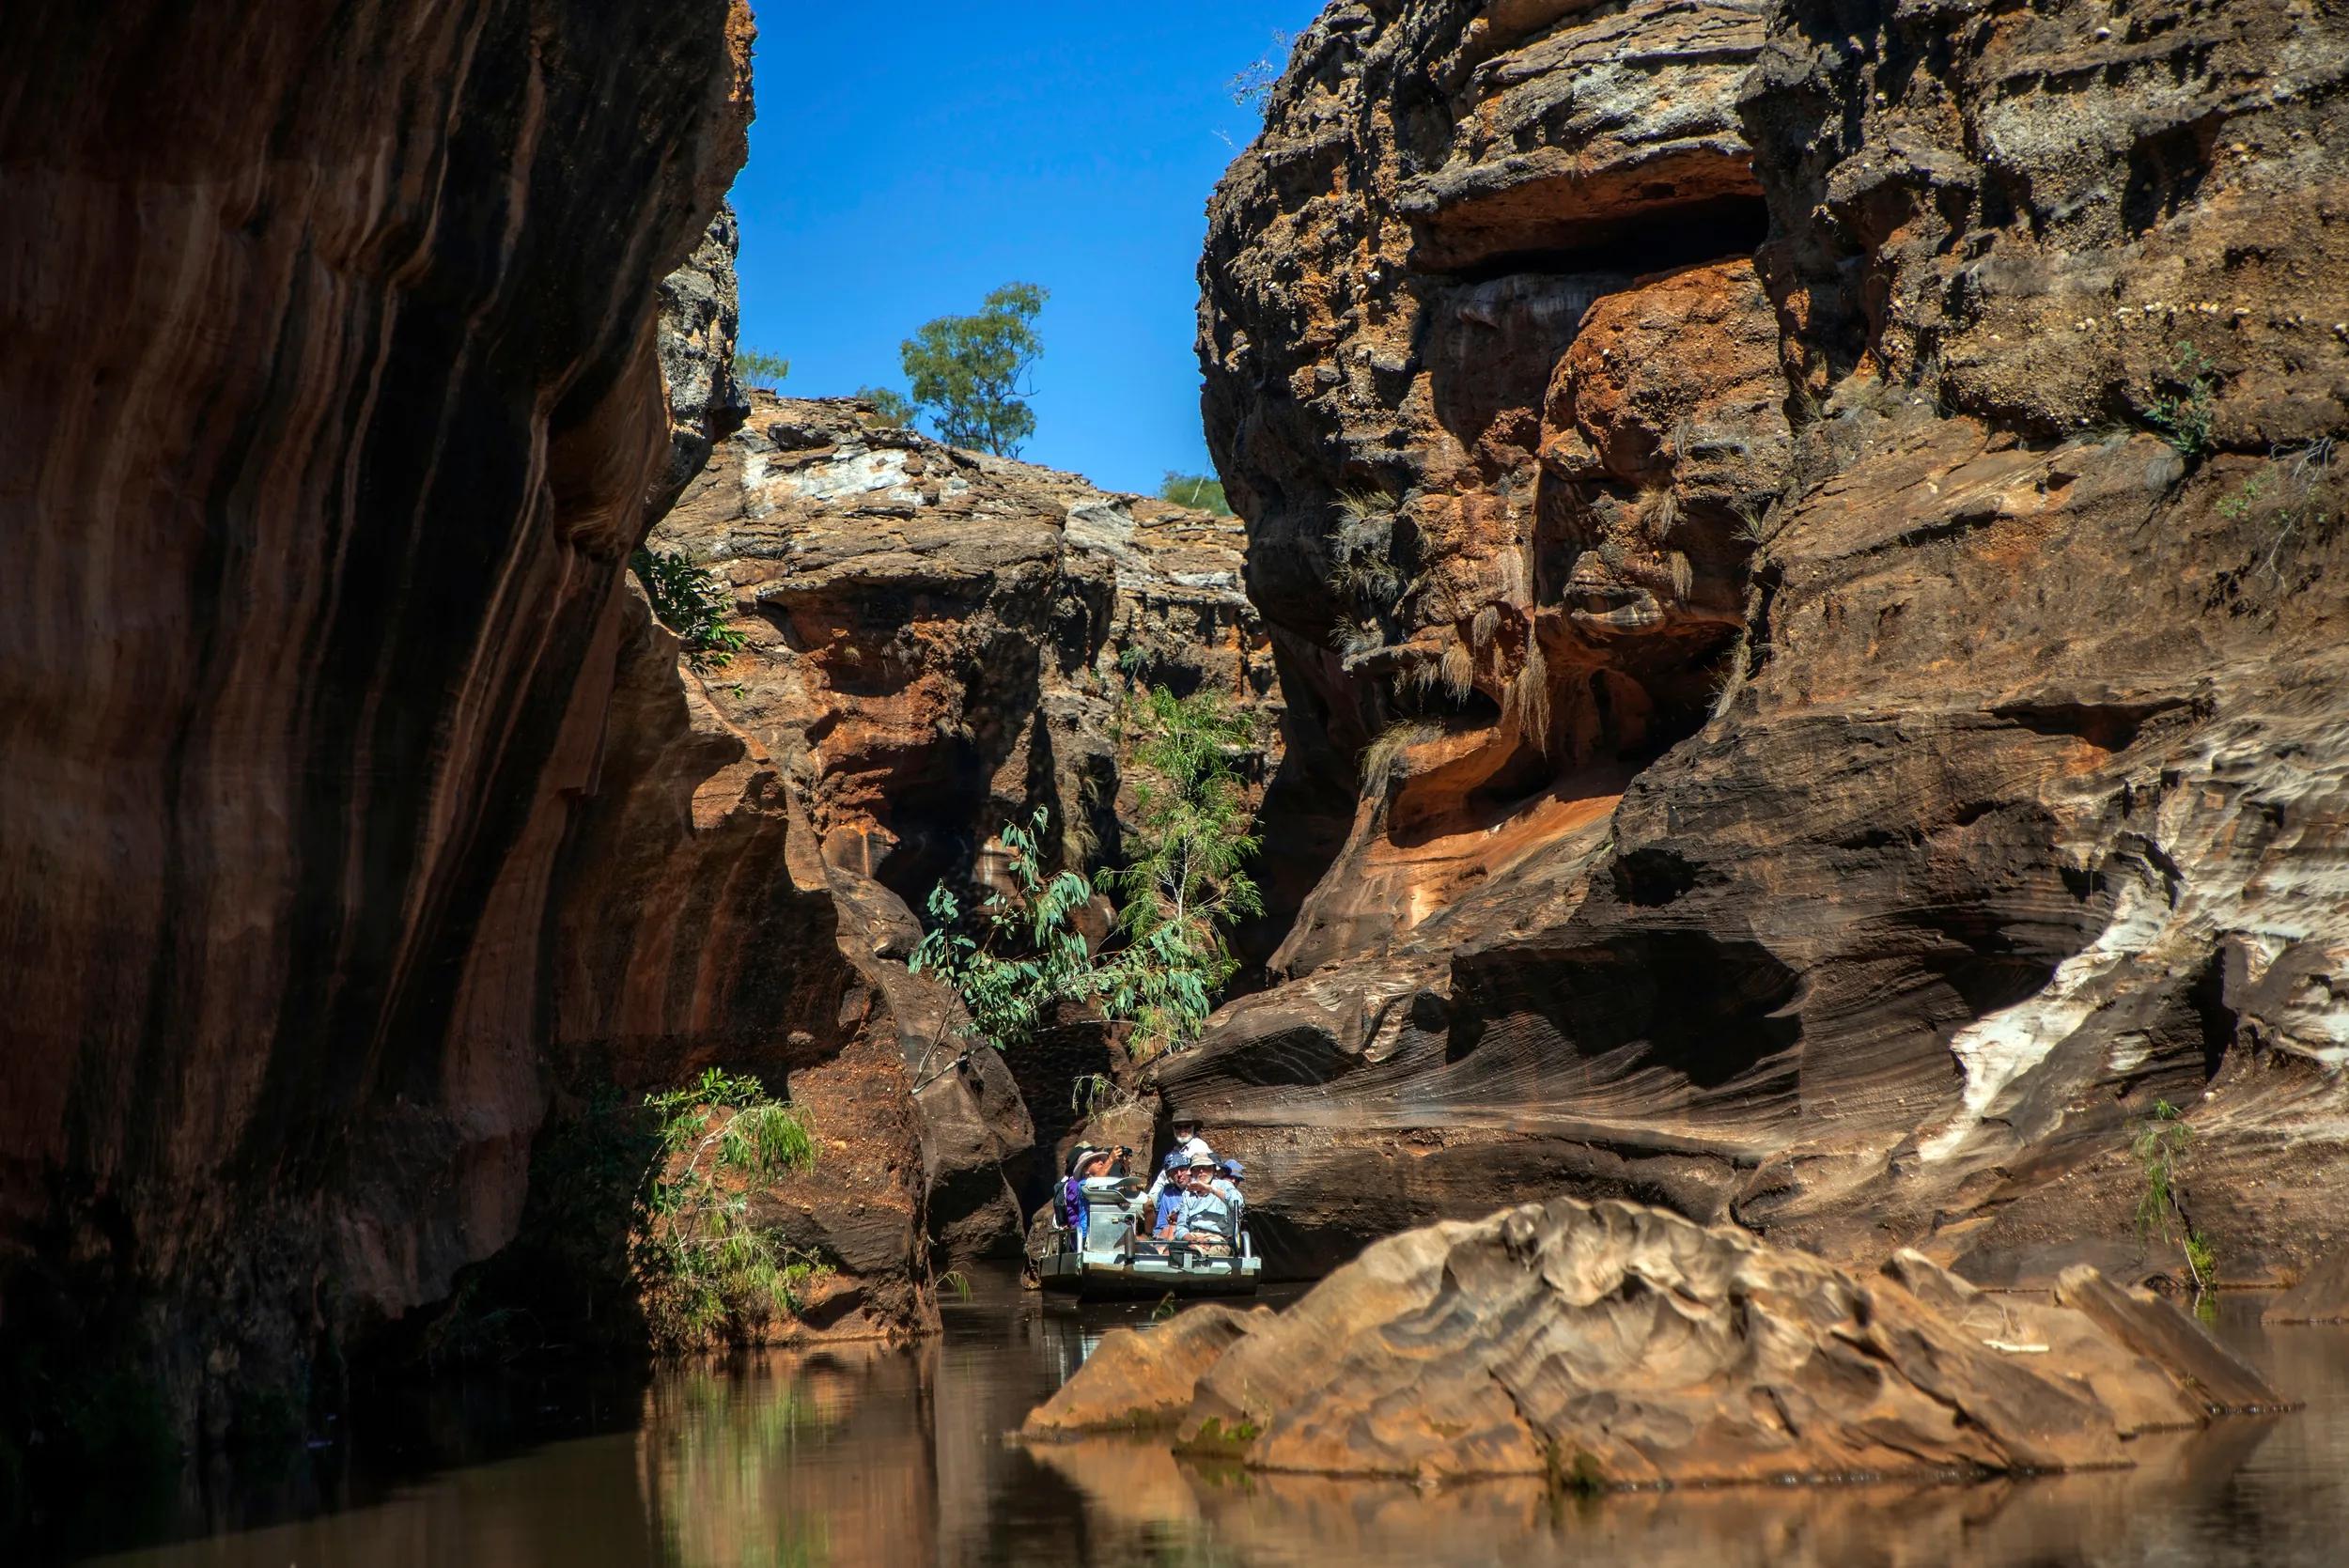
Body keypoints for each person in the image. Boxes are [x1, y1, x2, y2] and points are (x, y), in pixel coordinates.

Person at [1172, 1152, 1237, 1256]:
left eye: (1206, 1167)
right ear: (1192, 1172)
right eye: (1197, 1168)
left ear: (1214, 1169)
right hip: (1192, 1239)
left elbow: (1237, 1204)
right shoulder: (1187, 1194)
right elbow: (1180, 1227)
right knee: (1171, 1252)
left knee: (1190, 1253)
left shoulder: (1225, 1186)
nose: (1201, 1171)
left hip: (1218, 1239)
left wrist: (1209, 1188)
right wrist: (1192, 1239)